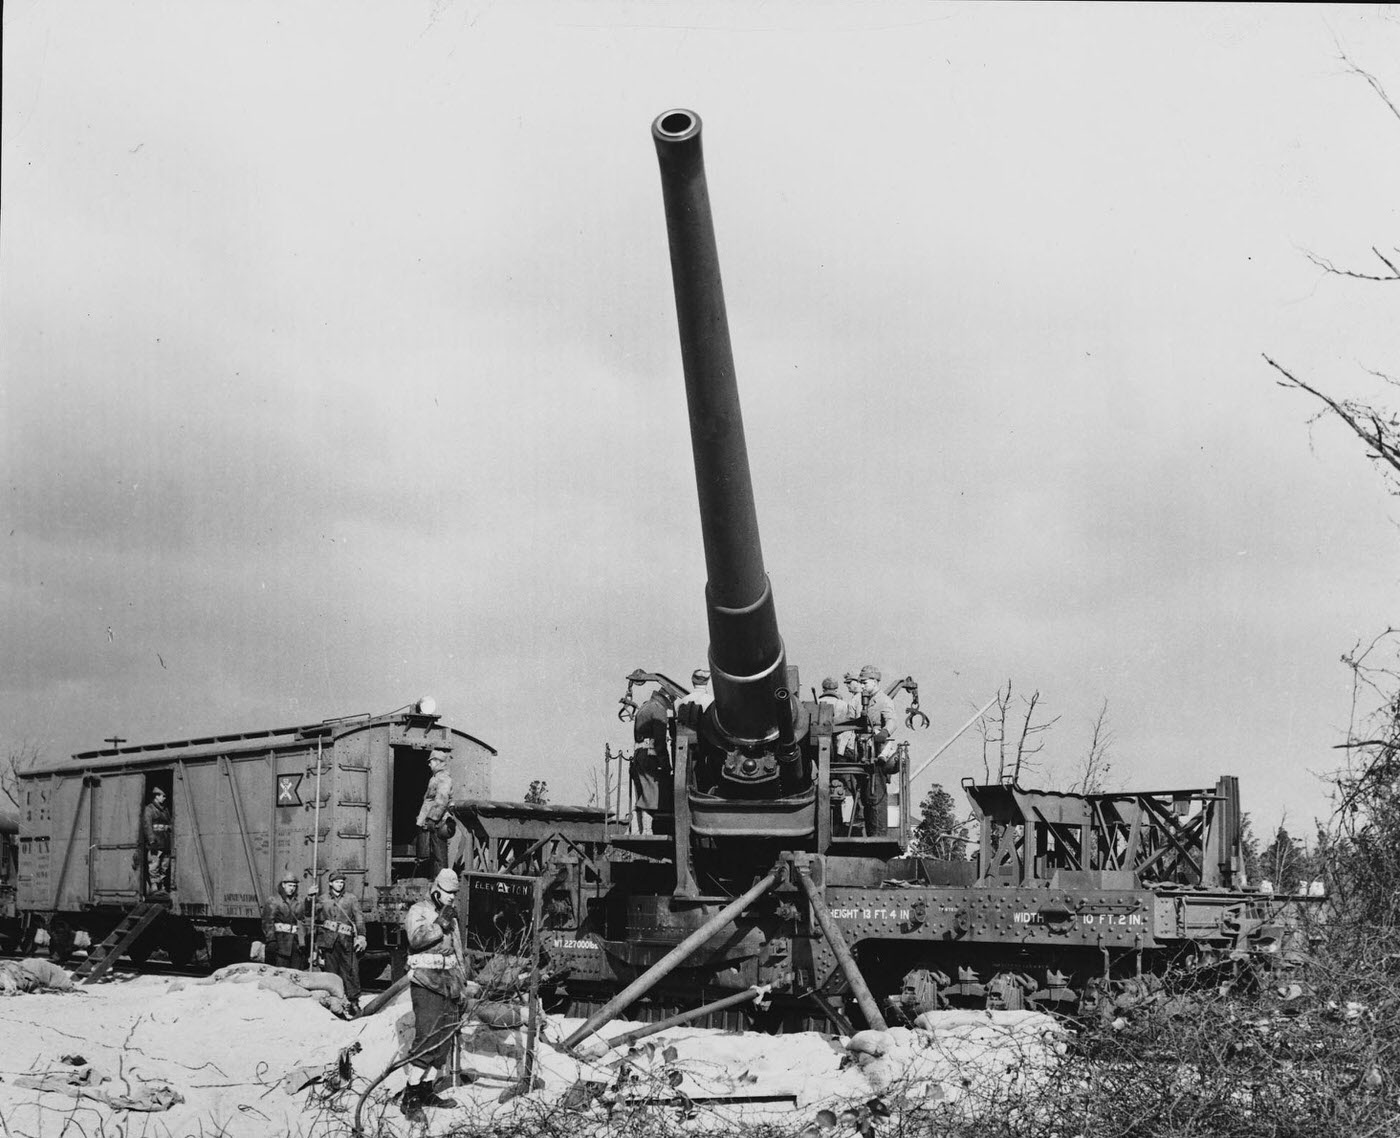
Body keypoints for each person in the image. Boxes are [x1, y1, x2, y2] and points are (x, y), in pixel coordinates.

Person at [400, 868, 467, 1120]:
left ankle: (426, 1090)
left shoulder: (451, 915)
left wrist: (462, 983)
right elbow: (416, 939)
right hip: (426, 981)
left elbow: (458, 952)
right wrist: (439, 924)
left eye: (455, 893)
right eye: (448, 892)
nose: (452, 897)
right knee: (427, 1036)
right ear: (436, 889)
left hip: (449, 983)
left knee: (443, 1039)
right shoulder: (419, 910)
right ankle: (411, 1095)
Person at [856, 665, 901, 837]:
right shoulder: (862, 699)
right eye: (860, 683)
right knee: (867, 796)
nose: (862, 686)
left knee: (876, 794)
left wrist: (884, 733)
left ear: (875, 682)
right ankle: (870, 833)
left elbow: (892, 721)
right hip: (863, 750)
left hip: (877, 751)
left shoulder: (883, 700)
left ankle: (879, 834)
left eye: (864, 683)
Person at [316, 870, 367, 1016]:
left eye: (342, 882)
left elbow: (359, 918)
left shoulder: (351, 899)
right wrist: (310, 898)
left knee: (351, 971)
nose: (340, 884)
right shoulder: (323, 899)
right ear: (331, 883)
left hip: (346, 941)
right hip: (328, 941)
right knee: (331, 973)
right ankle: (334, 1004)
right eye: (337, 882)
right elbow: (310, 913)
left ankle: (353, 1002)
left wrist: (362, 936)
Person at [630, 688, 674, 832]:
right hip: (650, 756)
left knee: (645, 792)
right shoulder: (658, 710)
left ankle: (641, 829)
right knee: (653, 794)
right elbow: (660, 743)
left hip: (640, 754)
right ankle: (647, 831)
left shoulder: (645, 706)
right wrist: (666, 765)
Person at [415, 749, 454, 879]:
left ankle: (441, 882)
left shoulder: (443, 778)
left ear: (438, 762)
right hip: (433, 822)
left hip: (438, 822)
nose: (429, 764)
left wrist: (433, 818)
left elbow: (442, 799)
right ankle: (436, 881)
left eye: (431, 761)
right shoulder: (437, 777)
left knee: (439, 855)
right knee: (433, 855)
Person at [261, 873, 306, 969]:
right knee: (280, 972)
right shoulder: (274, 901)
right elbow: (268, 922)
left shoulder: (299, 902)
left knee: (295, 973)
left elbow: (304, 918)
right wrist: (271, 941)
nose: (292, 888)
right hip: (280, 942)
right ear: (283, 885)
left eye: (294, 886)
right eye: (290, 885)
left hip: (295, 943)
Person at [141, 787, 172, 894]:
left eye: (164, 796)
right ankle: (154, 886)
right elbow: (147, 826)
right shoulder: (149, 809)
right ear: (156, 796)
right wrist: (151, 841)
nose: (164, 798)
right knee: (154, 866)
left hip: (165, 842)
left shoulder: (165, 810)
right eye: (162, 796)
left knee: (164, 866)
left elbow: (169, 825)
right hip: (156, 843)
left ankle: (162, 886)